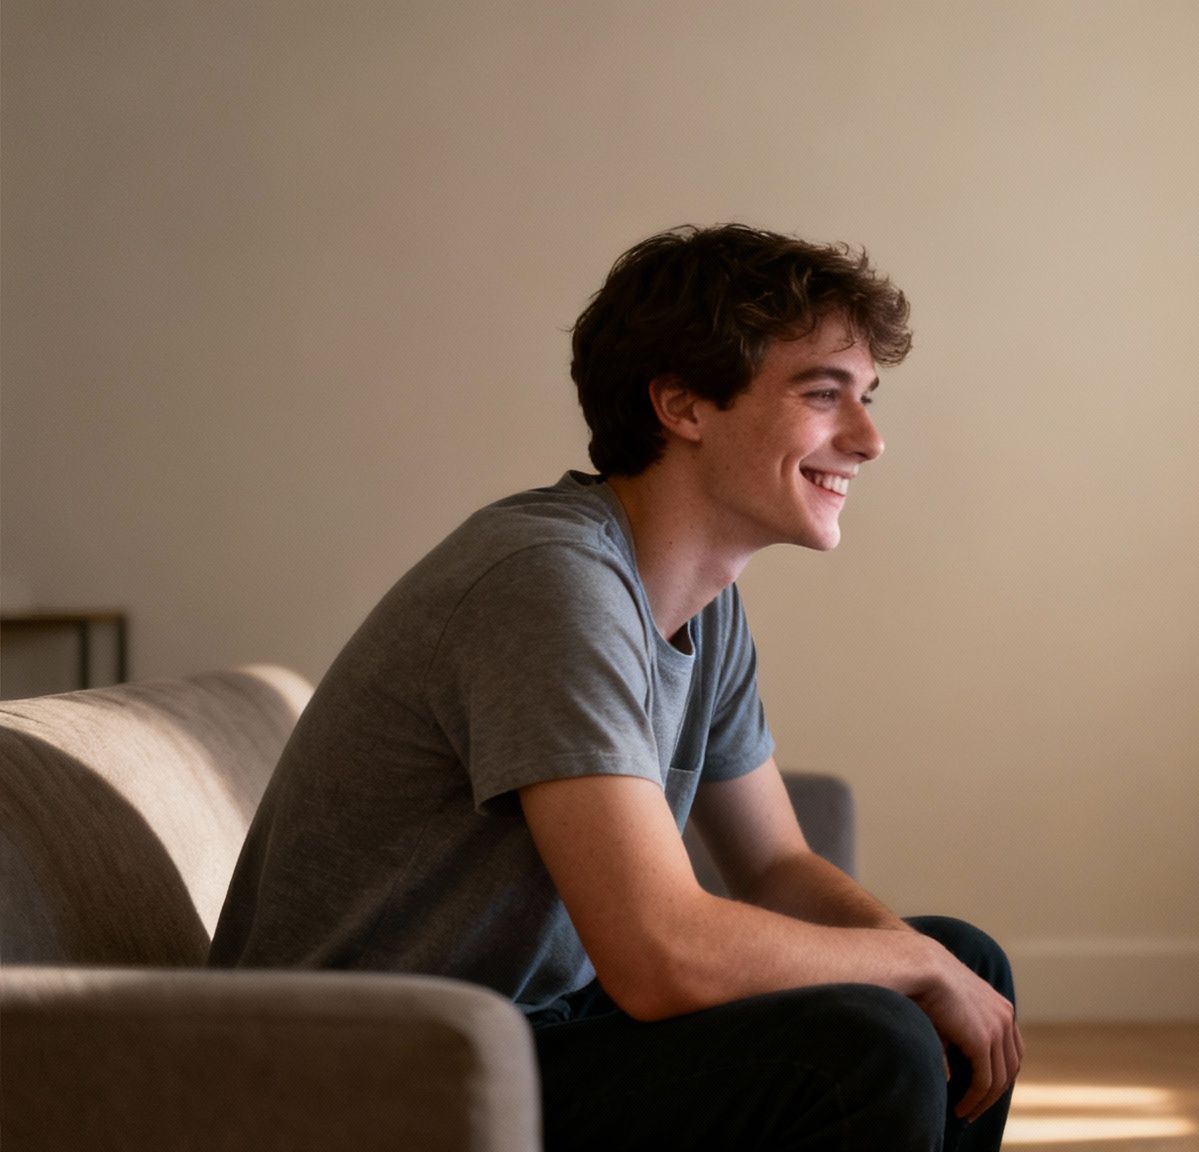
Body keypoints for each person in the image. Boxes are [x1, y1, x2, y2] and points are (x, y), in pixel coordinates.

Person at [210, 224, 1021, 1150]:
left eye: (867, 398)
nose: (869, 440)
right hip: (362, 1076)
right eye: (824, 394)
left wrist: (922, 964)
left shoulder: (700, 602)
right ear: (682, 404)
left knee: (965, 964)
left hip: (521, 1028)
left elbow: (775, 867)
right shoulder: (548, 581)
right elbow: (658, 956)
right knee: (867, 1044)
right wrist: (904, 973)